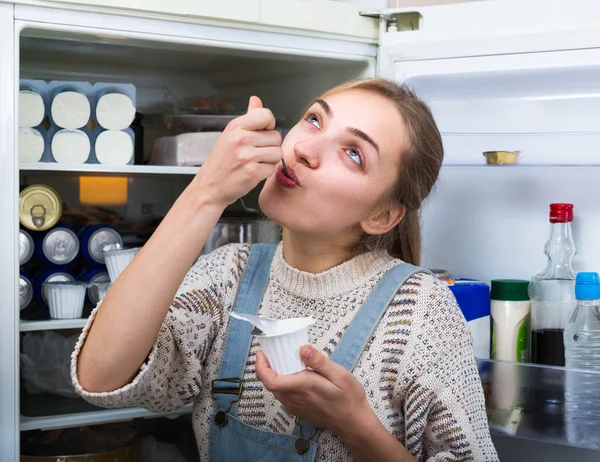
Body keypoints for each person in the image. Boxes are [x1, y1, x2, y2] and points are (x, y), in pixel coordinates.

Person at [71, 78, 499, 461]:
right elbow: (101, 376)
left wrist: (357, 426)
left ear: (384, 216)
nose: (305, 149)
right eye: (314, 120)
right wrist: (205, 193)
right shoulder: (225, 276)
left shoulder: (421, 312)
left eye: (353, 153)